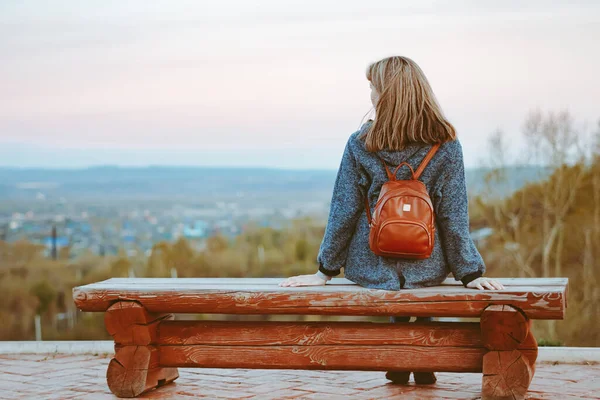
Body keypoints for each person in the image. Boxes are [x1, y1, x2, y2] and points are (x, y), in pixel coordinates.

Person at [279, 55, 504, 384]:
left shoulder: (361, 143)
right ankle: (422, 358)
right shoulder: (446, 145)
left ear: (386, 95)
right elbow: (453, 216)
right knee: (421, 285)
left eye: (373, 88)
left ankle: (400, 356)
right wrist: (469, 273)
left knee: (394, 284)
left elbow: (344, 211)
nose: (369, 96)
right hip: (428, 264)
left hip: (371, 264)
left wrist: (324, 271)